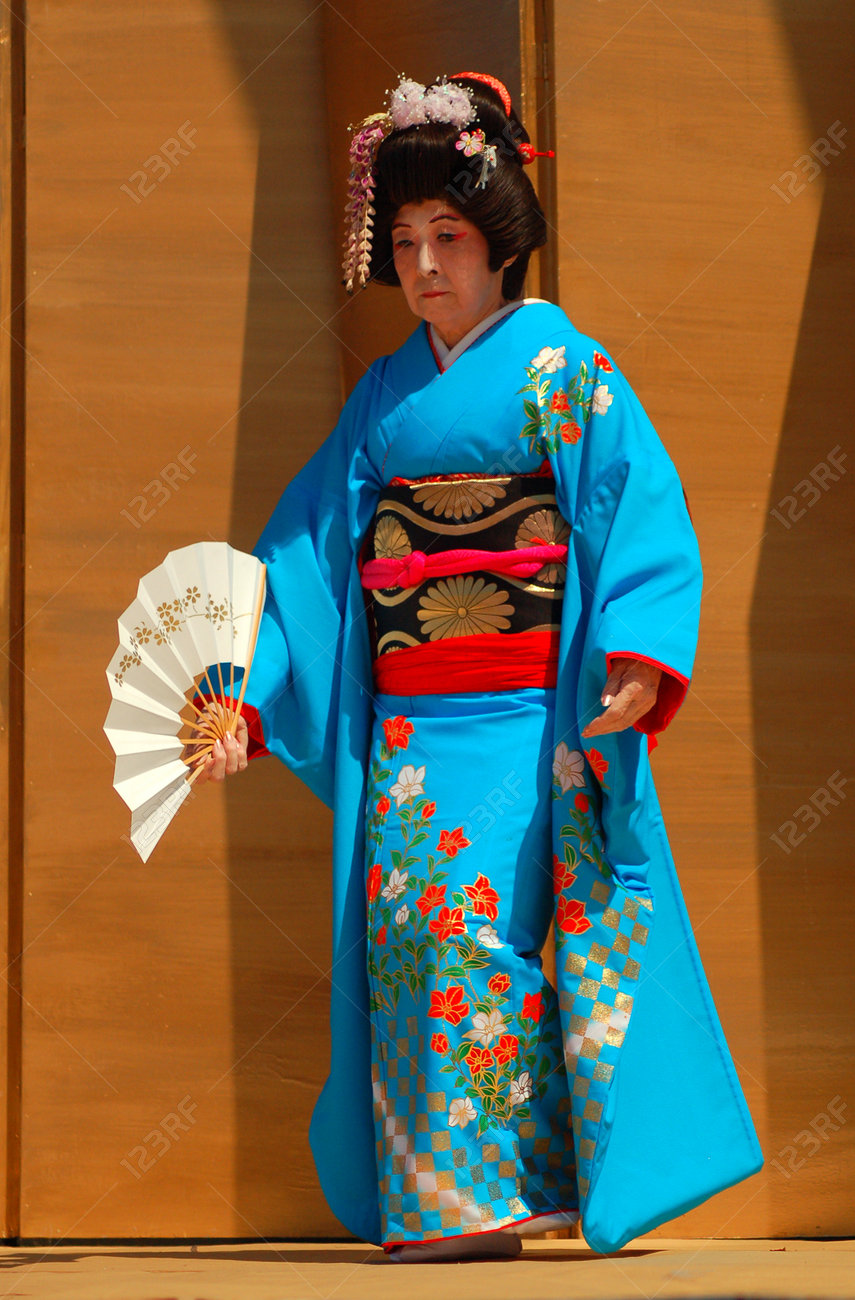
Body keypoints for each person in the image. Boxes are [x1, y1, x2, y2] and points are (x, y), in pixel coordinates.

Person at [196, 73, 762, 1261]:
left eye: (447, 237)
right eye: (403, 242)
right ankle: (453, 1198)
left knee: (483, 942)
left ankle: (500, 1190)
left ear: (499, 242)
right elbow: (307, 556)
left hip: (522, 721)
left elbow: (636, 510)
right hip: (411, 732)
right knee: (410, 942)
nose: (425, 265)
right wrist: (247, 691)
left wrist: (642, 654)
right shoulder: (383, 403)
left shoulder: (567, 370)